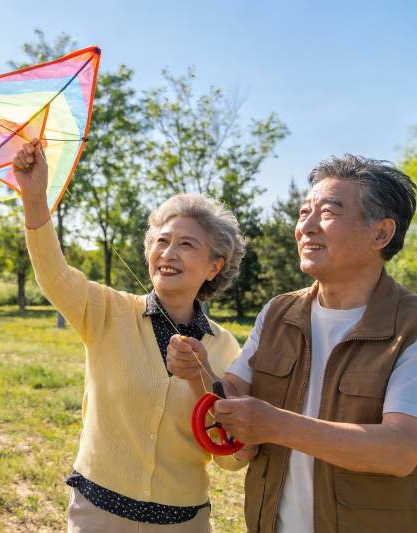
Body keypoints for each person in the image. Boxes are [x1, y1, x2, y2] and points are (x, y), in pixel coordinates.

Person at [167, 154, 417, 533]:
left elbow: (399, 449)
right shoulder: (278, 312)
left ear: (381, 233)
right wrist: (199, 372)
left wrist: (274, 425)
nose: (307, 226)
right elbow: (234, 392)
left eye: (329, 212)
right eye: (304, 212)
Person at [13, 139, 252, 532]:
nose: (169, 253)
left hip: (183, 523)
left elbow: (231, 457)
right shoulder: (108, 311)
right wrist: (34, 195)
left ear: (214, 266)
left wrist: (201, 377)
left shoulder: (224, 346)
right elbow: (53, 275)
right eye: (162, 241)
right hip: (97, 517)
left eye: (187, 244)